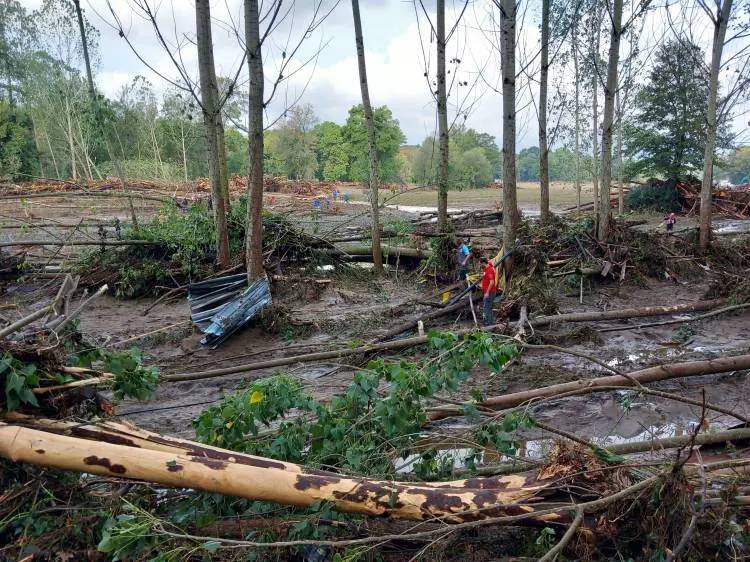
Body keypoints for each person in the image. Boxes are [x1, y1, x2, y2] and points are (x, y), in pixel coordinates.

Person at [480, 256, 497, 326]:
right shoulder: (486, 268)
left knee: (488, 307)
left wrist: (487, 292)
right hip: (486, 292)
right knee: (487, 307)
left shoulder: (489, 270)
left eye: (480, 264)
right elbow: (489, 261)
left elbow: (492, 282)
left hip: (490, 292)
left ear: (484, 263)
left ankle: (489, 324)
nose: (480, 265)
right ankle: (490, 322)